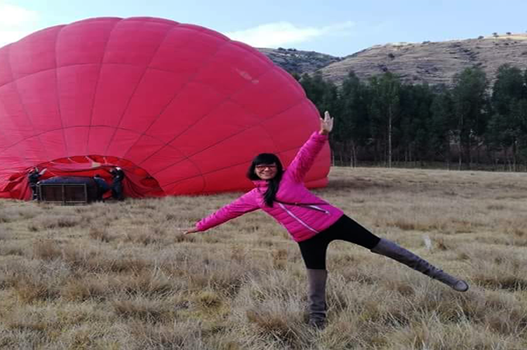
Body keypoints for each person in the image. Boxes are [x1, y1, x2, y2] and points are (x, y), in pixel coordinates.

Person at [183, 111, 468, 329]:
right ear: (254, 171)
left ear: (276, 168)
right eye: (261, 167)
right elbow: (227, 212)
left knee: (384, 247)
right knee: (316, 281)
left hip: (335, 222)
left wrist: (321, 134)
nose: (266, 169)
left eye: (270, 166)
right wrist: (199, 226)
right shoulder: (253, 197)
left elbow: (305, 156)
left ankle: (444, 277)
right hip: (307, 239)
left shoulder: (291, 177)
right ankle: (317, 323)